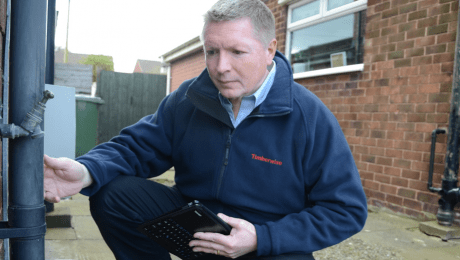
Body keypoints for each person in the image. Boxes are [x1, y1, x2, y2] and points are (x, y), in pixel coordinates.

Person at [44, 0, 368, 259]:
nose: (220, 67)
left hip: (264, 242)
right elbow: (136, 148)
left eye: (237, 52)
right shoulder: (189, 99)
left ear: (269, 51)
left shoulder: (309, 116)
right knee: (113, 194)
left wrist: (263, 238)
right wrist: (86, 170)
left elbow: (346, 210)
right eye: (212, 51)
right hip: (195, 226)